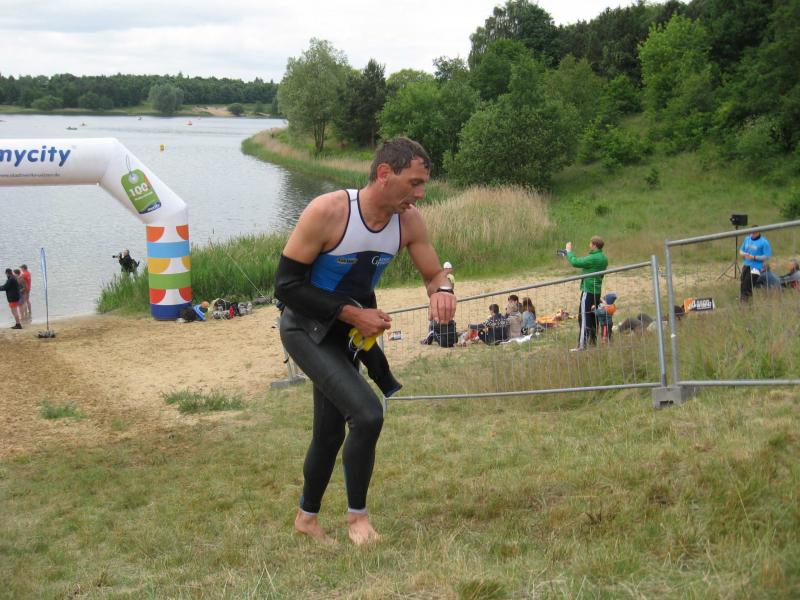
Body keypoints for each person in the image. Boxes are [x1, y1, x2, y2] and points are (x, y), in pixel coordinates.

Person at [274, 137, 456, 545]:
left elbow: (434, 274)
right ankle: (358, 519)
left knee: (329, 432)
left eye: (423, 184)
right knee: (367, 414)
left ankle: (306, 519)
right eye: (414, 183)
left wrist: (444, 291)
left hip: (346, 335)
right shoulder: (330, 211)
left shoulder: (409, 222)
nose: (420, 194)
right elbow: (285, 286)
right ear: (384, 173)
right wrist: (353, 313)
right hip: (304, 328)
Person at [565, 236, 608, 351]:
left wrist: (569, 251)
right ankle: (592, 342)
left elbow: (575, 262)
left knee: (584, 317)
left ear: (594, 245)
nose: (589, 245)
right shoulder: (604, 258)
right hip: (597, 291)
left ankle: (582, 345)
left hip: (588, 290)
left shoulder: (592, 258)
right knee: (593, 317)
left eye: (590, 243)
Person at [739, 228, 771, 301]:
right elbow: (741, 250)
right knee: (743, 283)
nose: (752, 235)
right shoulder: (747, 239)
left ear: (758, 232)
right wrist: (744, 254)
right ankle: (744, 301)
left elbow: (766, 256)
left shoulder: (764, 242)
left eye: (754, 233)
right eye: (751, 233)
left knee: (747, 285)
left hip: (756, 267)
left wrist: (754, 257)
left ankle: (746, 303)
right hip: (746, 265)